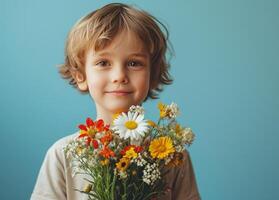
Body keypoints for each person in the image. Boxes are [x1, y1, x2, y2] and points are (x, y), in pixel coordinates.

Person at [31, 3, 200, 200]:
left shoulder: (173, 158)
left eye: (134, 63)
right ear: (80, 75)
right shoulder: (62, 156)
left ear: (152, 75)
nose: (119, 76)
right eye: (103, 63)